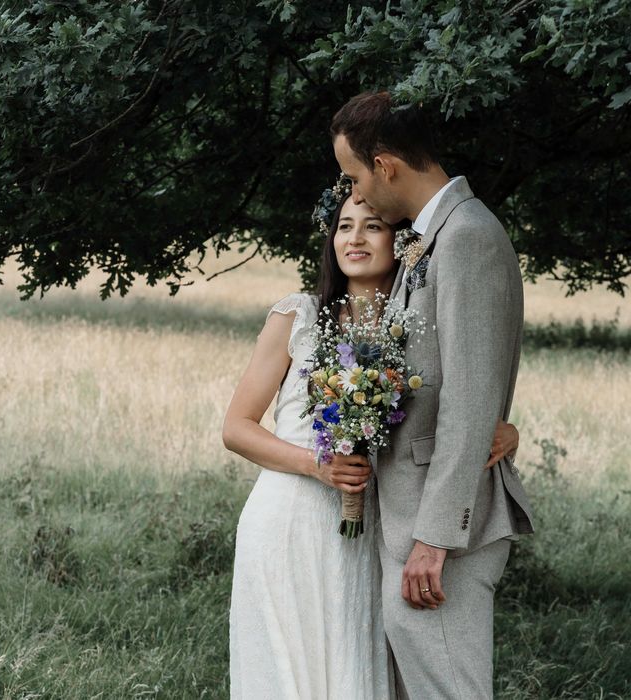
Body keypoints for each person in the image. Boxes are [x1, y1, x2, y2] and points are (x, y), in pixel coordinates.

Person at [223, 179, 522, 697]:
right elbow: (236, 429)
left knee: (354, 673)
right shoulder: (298, 315)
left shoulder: (411, 327)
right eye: (344, 227)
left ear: (400, 240)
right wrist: (316, 466)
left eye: (372, 226)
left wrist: (507, 431)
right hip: (290, 523)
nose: (354, 239)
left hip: (374, 533)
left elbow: (453, 404)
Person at [330, 91, 535, 698]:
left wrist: (435, 536)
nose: (357, 194)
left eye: (355, 176)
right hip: (408, 516)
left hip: (441, 531)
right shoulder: (429, 238)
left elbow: (473, 397)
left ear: (386, 165)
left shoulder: (467, 237)